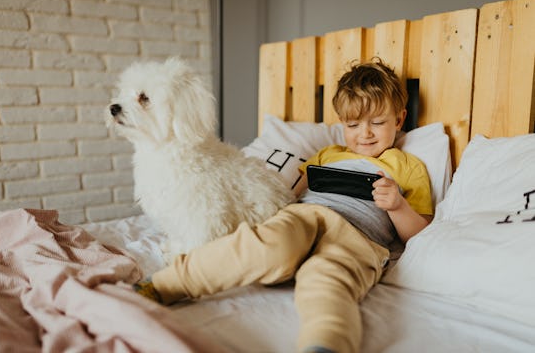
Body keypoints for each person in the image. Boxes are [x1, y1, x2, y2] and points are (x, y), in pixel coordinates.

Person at [133, 58, 433, 353]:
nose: (364, 133)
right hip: (305, 217)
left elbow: (418, 234)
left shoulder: (407, 166)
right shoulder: (327, 154)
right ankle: (163, 285)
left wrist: (397, 206)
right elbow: (293, 195)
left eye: (377, 123)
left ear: (399, 119)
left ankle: (325, 344)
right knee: (266, 244)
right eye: (353, 124)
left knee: (331, 285)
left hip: (359, 239)